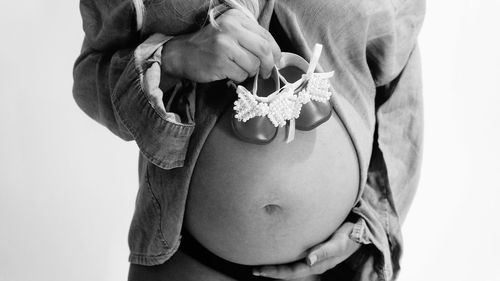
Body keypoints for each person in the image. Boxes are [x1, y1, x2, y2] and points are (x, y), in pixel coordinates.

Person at [73, 0, 425, 280]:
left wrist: (369, 227)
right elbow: (91, 82)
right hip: (188, 259)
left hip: (326, 269)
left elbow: (399, 108)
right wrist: (174, 57)